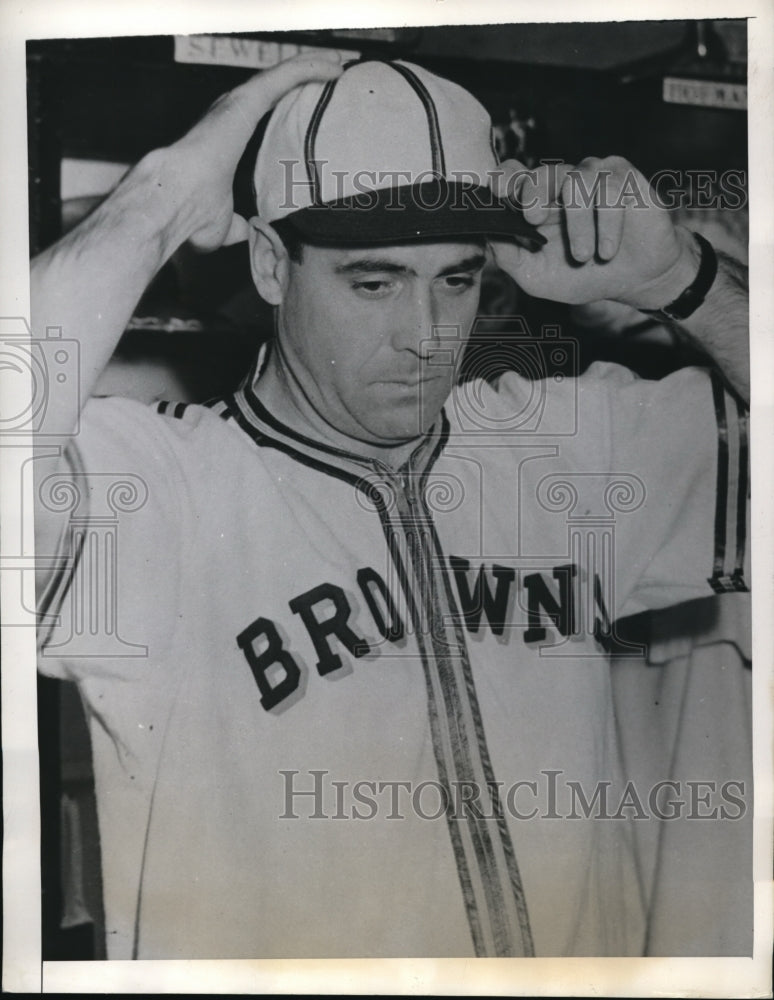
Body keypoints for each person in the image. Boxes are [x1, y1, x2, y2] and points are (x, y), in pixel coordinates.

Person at [32, 52, 750, 960]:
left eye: (455, 280)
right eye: (374, 283)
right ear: (270, 264)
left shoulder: (570, 451)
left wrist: (680, 281)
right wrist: (160, 199)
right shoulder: (163, 494)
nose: (425, 337)